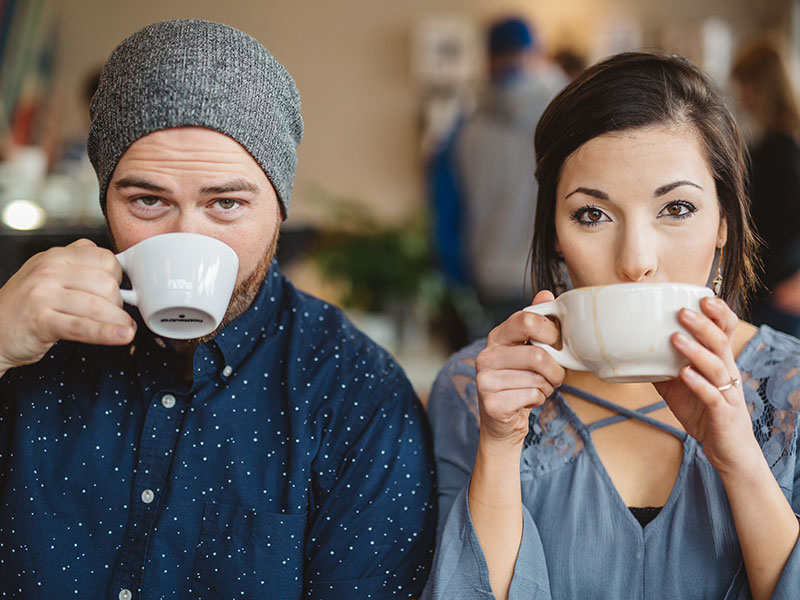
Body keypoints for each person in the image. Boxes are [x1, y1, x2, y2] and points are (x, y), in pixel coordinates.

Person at [0, 19, 436, 598]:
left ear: (279, 206)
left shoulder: (357, 395)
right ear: (105, 198)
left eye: (225, 203)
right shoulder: (30, 338)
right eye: (148, 200)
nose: (189, 236)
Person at [422, 51, 800, 600]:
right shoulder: (475, 388)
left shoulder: (789, 388)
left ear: (724, 222)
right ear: (554, 231)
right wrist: (500, 445)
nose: (635, 260)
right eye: (592, 214)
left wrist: (740, 459)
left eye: (676, 209)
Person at [429, 16, 566, 336]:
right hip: (558, 277)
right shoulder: (572, 114)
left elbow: (444, 214)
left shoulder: (461, 128)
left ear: (488, 59)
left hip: (489, 282)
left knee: (501, 377)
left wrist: (457, 278)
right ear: (538, 54)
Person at [730, 37, 800, 338]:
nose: (741, 97)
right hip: (772, 287)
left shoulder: (780, 149)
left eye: (744, 86)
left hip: (778, 292)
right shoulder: (776, 143)